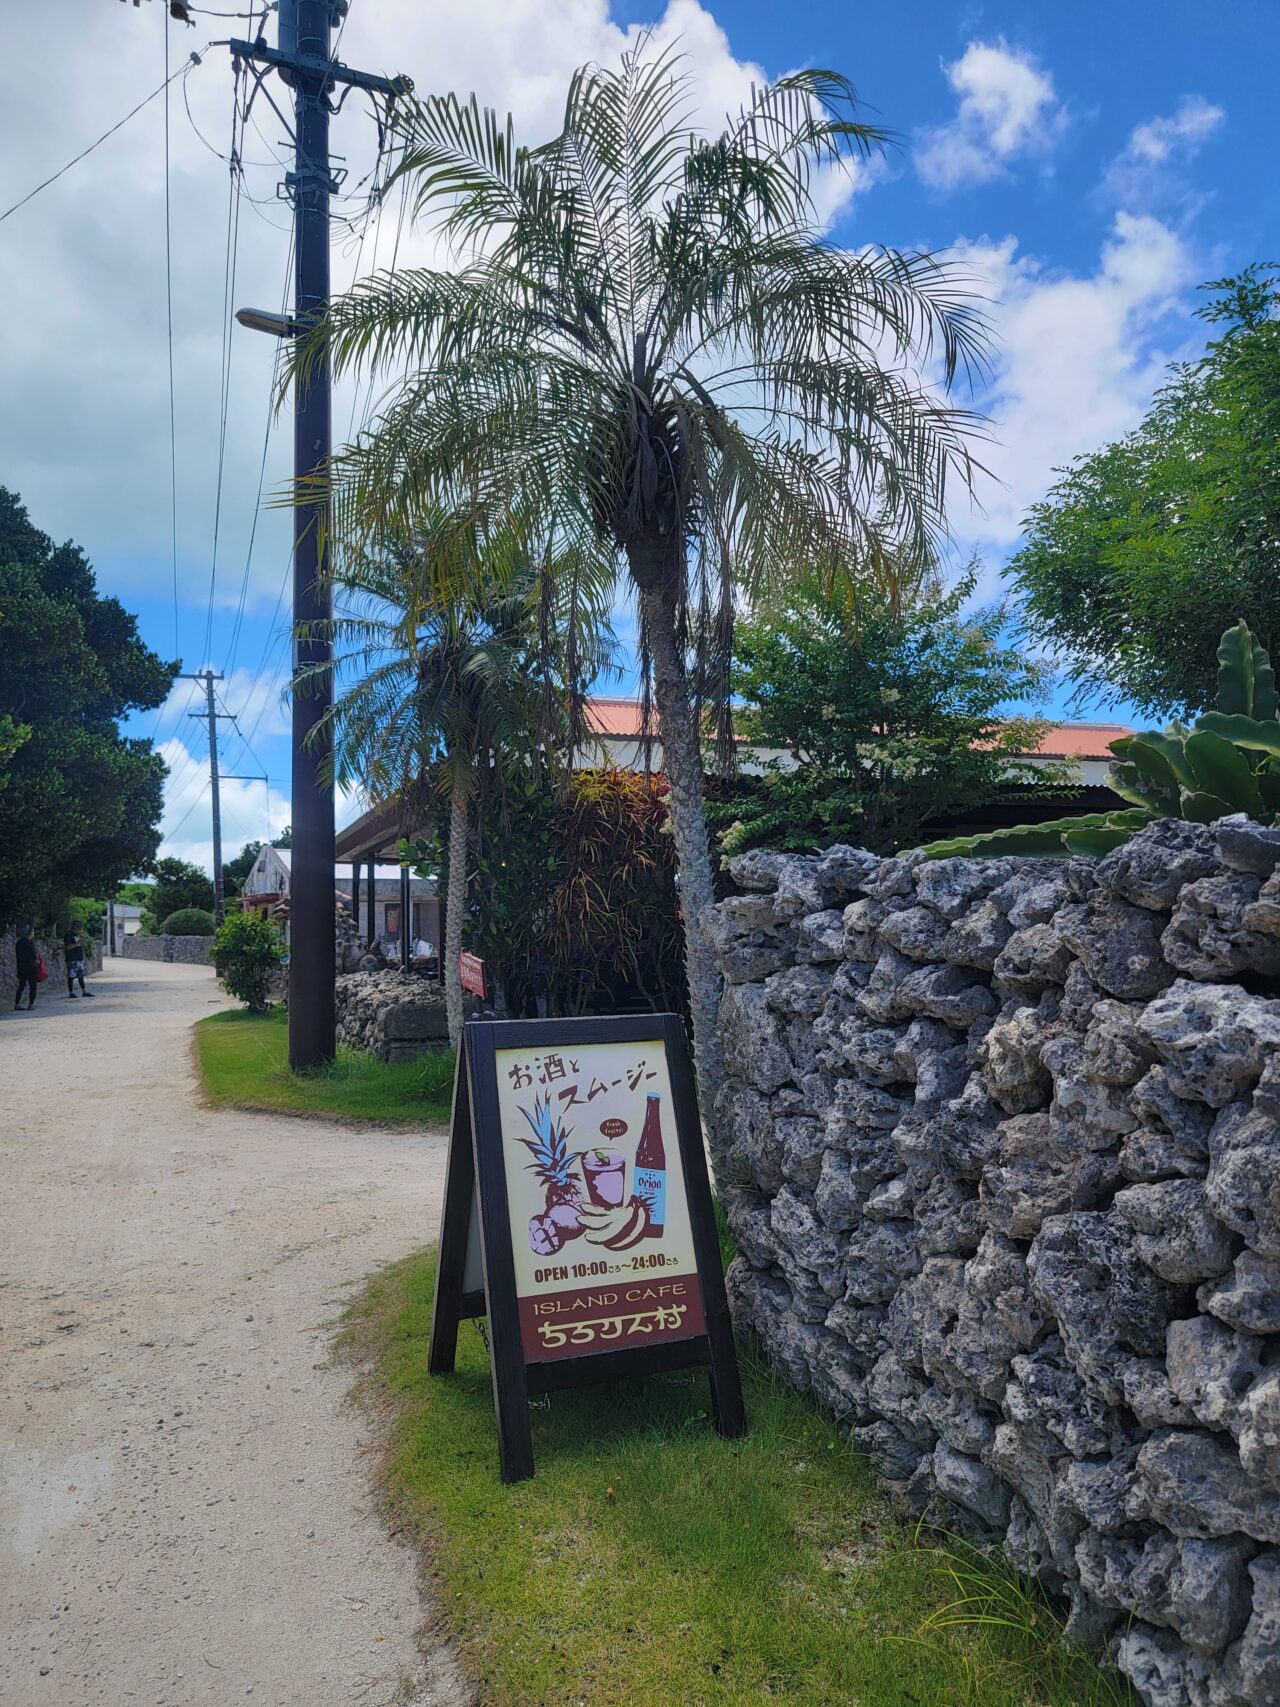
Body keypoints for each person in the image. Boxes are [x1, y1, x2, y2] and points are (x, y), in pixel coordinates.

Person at [63, 921, 94, 999]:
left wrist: (81, 943)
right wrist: (77, 943)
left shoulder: (77, 935)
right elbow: (68, 947)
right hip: (72, 959)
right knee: (71, 976)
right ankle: (71, 992)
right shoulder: (68, 935)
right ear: (75, 927)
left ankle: (84, 991)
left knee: (81, 976)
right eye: (79, 928)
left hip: (79, 958)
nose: (80, 929)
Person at [13, 924, 38, 1011]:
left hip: (21, 967)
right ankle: (31, 1004)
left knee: (21, 985)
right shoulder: (30, 943)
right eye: (33, 931)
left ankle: (17, 1003)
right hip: (30, 967)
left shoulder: (19, 943)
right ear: (30, 933)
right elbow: (34, 955)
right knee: (33, 986)